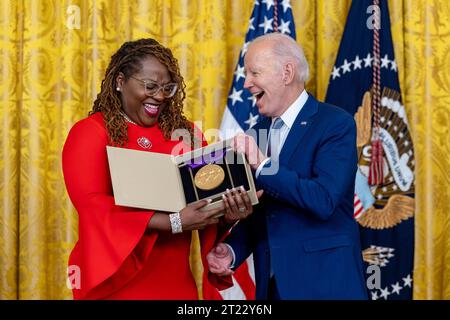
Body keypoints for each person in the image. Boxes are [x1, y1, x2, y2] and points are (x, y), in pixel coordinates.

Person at [62, 38, 253, 300]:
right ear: (120, 81)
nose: (160, 96)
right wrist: (174, 221)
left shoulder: (186, 133)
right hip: (117, 282)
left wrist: (229, 213)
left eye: (167, 88)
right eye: (150, 86)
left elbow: (206, 199)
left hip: (175, 284)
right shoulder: (91, 132)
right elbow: (92, 206)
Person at [206, 33, 368, 300]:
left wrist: (261, 164)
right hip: (272, 288)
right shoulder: (256, 133)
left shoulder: (335, 124)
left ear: (287, 72)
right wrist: (232, 250)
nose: (246, 83)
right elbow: (265, 211)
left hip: (327, 286)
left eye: (254, 72)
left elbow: (323, 200)